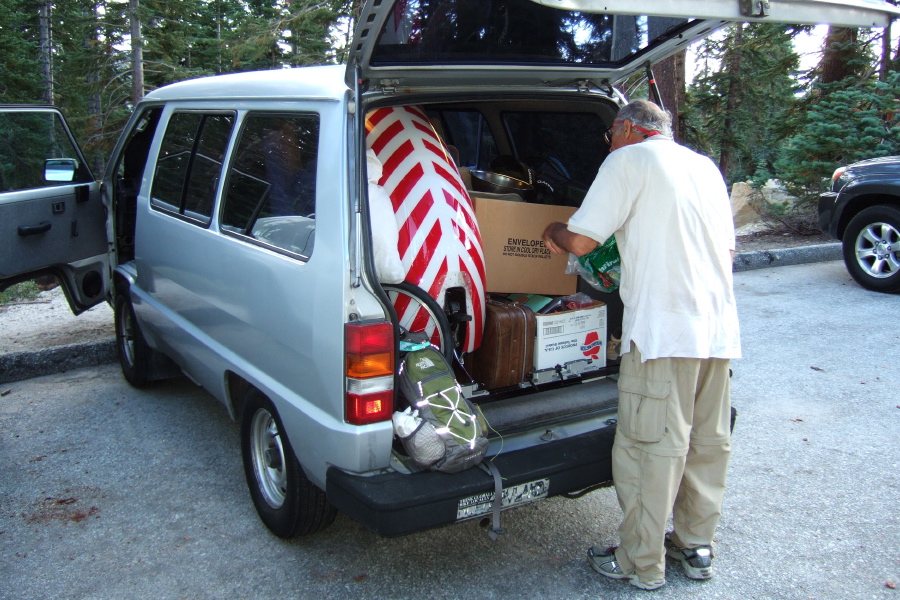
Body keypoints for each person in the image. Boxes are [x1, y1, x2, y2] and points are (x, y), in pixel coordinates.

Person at [542, 100, 741, 591]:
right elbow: (727, 249)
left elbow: (584, 243)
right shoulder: (703, 166)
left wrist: (552, 231)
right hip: (716, 333)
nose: (608, 142)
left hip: (661, 335)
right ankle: (694, 546)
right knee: (705, 443)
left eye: (610, 134)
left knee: (651, 449)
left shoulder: (628, 160)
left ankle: (639, 562)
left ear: (628, 129)